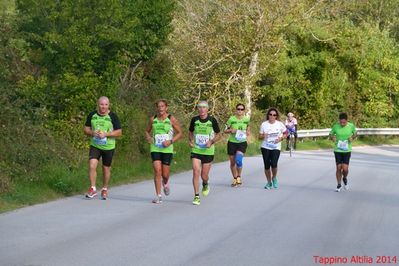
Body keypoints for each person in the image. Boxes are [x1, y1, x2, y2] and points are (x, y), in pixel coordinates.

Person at [84, 96, 122, 200]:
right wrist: (92, 132)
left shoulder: (113, 116)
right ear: (98, 104)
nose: (103, 107)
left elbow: (119, 132)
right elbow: (86, 128)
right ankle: (92, 188)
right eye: (101, 104)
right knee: (92, 165)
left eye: (105, 105)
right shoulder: (92, 115)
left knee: (106, 169)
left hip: (108, 147)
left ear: (108, 105)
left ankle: (104, 189)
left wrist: (106, 134)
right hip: (95, 145)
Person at [145, 99, 182, 204]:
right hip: (155, 148)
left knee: (165, 174)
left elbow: (180, 133)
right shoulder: (153, 119)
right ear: (156, 108)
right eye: (158, 106)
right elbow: (146, 131)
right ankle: (158, 195)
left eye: (162, 106)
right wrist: (148, 138)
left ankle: (165, 183)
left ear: (166, 108)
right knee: (157, 171)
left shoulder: (171, 119)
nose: (160, 108)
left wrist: (170, 141)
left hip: (167, 149)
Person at [189, 100, 221, 205]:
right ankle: (196, 196)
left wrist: (211, 141)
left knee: (204, 175)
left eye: (204, 107)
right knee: (196, 171)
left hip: (208, 151)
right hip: (196, 149)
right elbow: (190, 132)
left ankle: (205, 183)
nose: (202, 109)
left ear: (207, 109)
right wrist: (190, 141)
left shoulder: (212, 120)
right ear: (198, 108)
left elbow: (218, 135)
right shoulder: (194, 120)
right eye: (200, 107)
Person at [259, 107, 287, 189]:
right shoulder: (264, 124)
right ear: (268, 115)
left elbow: (286, 133)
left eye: (274, 115)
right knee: (267, 165)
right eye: (270, 114)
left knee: (274, 164)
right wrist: (264, 135)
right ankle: (268, 182)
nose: (272, 116)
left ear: (276, 116)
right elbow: (259, 136)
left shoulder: (279, 124)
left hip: (276, 147)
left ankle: (274, 177)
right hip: (265, 146)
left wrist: (281, 138)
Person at [329, 112, 357, 192]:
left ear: (347, 121)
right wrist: (332, 137)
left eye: (344, 122)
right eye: (341, 122)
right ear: (339, 120)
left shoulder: (351, 126)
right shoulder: (335, 126)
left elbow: (355, 133)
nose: (342, 124)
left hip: (347, 150)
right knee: (338, 167)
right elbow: (330, 134)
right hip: (337, 150)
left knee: (345, 169)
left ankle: (344, 178)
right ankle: (338, 184)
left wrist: (352, 138)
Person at [224, 103, 250, 187]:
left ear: (244, 111)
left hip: (242, 142)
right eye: (238, 109)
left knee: (238, 160)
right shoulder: (231, 119)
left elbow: (248, 128)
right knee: (232, 163)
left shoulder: (246, 119)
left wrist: (248, 132)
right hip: (232, 142)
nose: (240, 111)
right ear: (236, 110)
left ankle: (239, 176)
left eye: (242, 109)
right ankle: (234, 178)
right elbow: (225, 130)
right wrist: (231, 130)